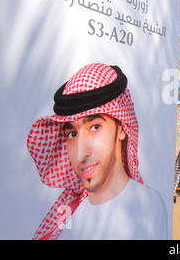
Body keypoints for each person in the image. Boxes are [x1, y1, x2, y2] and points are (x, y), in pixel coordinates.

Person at [27, 63, 167, 240]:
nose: (80, 154)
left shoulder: (149, 205)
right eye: (72, 134)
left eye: (95, 127)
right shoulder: (69, 213)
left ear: (122, 128)